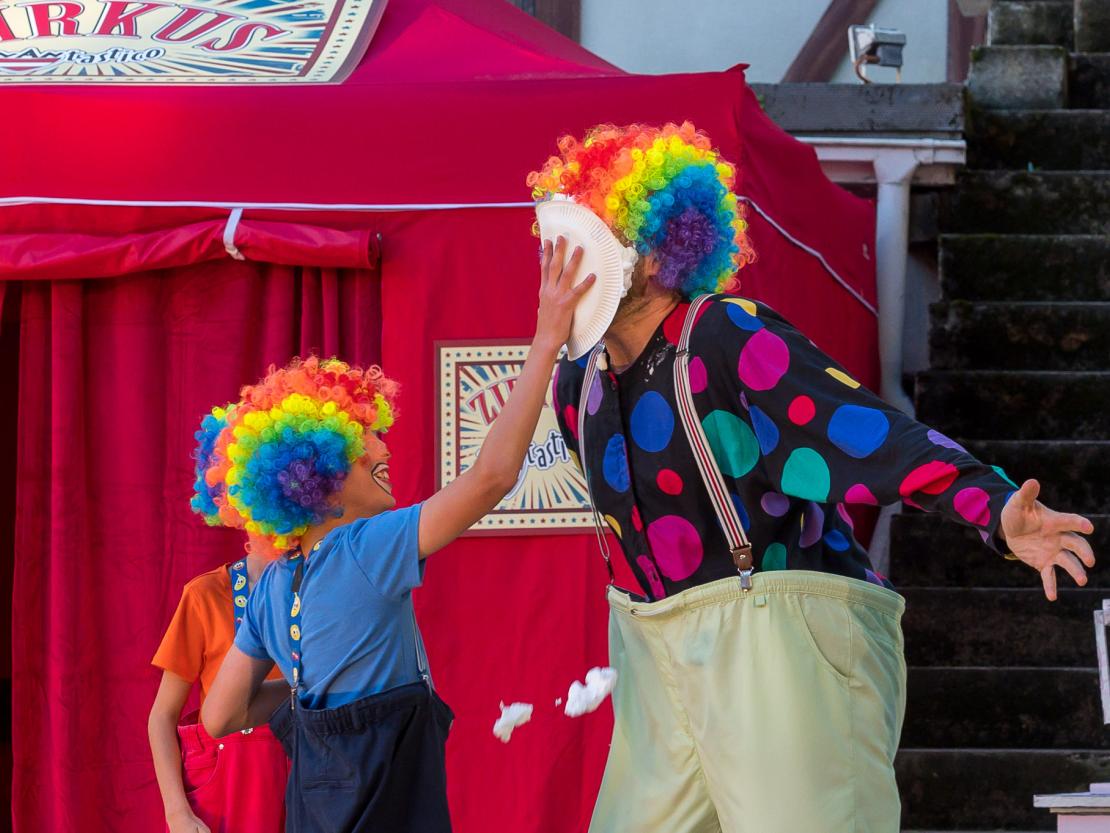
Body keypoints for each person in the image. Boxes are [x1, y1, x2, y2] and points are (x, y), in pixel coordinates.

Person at [530, 122, 1097, 833]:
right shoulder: (575, 385)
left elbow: (861, 430)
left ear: (647, 258)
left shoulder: (723, 337)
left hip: (781, 652)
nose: (558, 266)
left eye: (584, 242)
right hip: (656, 664)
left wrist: (993, 506)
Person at [198, 238, 593, 832]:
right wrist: (546, 340)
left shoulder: (273, 590)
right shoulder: (367, 549)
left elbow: (219, 717)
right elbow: (491, 478)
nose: (383, 447)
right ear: (319, 482)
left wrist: (315, 694)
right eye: (361, 446)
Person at [149, 406, 288, 833]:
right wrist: (177, 812)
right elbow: (162, 716)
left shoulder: (326, 589)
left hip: (309, 778)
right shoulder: (205, 595)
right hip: (229, 793)